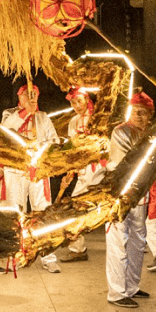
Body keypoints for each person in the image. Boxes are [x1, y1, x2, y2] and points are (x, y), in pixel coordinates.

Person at [0, 83, 61, 273]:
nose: (31, 97)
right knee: (15, 212)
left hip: (38, 172)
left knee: (42, 212)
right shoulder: (9, 114)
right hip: (15, 170)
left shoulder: (43, 117)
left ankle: (47, 255)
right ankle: (15, 254)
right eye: (27, 94)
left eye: (34, 94)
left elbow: (55, 141)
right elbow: (4, 132)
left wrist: (42, 150)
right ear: (20, 97)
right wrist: (25, 113)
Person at [105, 91, 155, 307]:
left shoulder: (151, 133)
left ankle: (132, 286)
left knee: (138, 241)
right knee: (118, 242)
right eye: (134, 112)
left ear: (150, 115)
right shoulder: (121, 132)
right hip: (120, 196)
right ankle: (116, 292)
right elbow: (135, 162)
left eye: (143, 113)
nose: (138, 116)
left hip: (140, 197)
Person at [58, 86, 106, 263]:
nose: (76, 105)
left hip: (101, 169)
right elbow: (73, 150)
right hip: (84, 172)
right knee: (75, 208)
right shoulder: (73, 122)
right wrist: (69, 171)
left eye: (79, 101)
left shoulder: (99, 118)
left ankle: (130, 241)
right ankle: (78, 249)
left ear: (87, 99)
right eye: (72, 102)